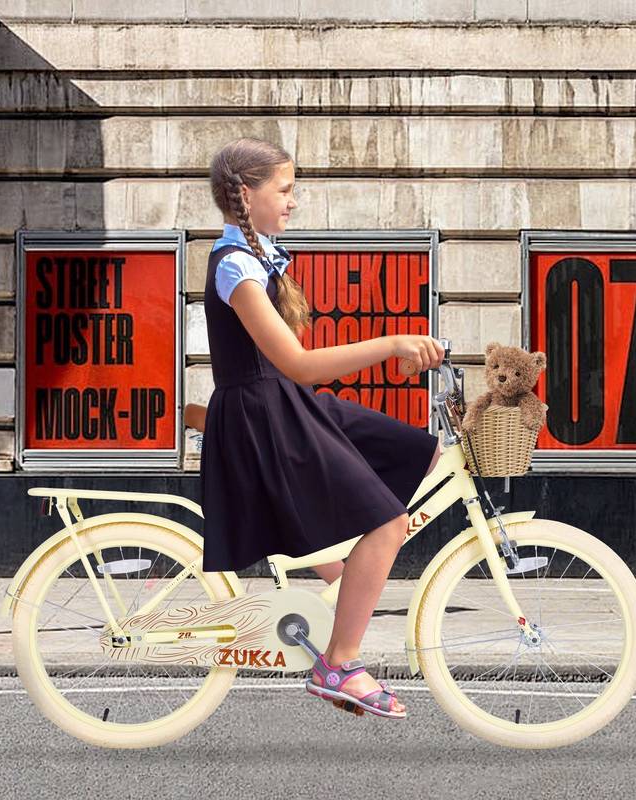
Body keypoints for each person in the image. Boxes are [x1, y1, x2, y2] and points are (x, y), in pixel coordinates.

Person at [194, 136, 444, 719]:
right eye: (285, 190)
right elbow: (298, 364)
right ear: (245, 196)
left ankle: (339, 582)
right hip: (266, 414)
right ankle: (341, 663)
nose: (293, 202)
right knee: (389, 522)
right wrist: (391, 342)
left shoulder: (258, 259)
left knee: (420, 450)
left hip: (285, 402)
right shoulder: (236, 268)